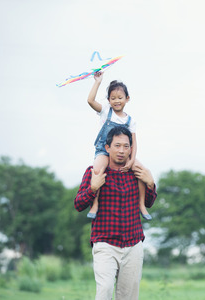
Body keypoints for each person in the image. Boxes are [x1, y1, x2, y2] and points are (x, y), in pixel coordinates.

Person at [74, 126, 157, 300]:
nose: (121, 151)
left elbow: (149, 203)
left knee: (128, 296)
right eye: (117, 145)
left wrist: (150, 184)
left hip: (133, 244)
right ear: (107, 147)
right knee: (104, 291)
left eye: (126, 146)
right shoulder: (95, 172)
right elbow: (79, 204)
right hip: (105, 243)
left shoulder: (137, 173)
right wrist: (93, 188)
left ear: (131, 149)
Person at [86, 71, 151, 220]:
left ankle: (141, 205)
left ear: (127, 99)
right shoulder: (105, 111)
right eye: (113, 98)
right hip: (104, 150)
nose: (116, 101)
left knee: (141, 170)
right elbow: (90, 100)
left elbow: (134, 143)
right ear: (108, 100)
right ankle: (95, 204)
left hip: (124, 152)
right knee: (97, 169)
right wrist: (97, 82)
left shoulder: (130, 121)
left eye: (120, 98)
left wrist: (131, 160)